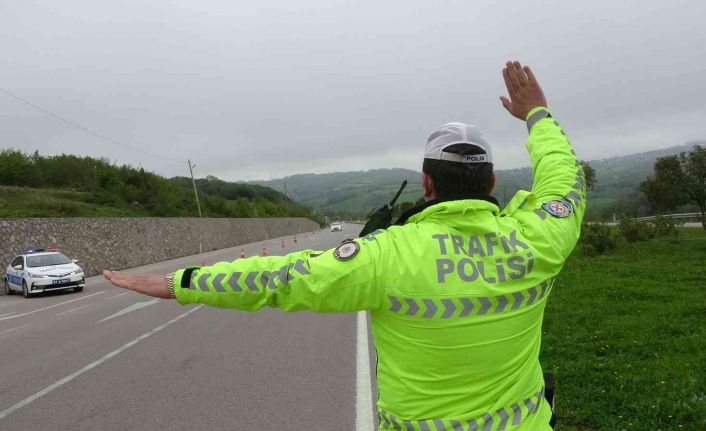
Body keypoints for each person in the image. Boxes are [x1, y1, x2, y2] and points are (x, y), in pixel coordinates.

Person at [104, 61, 586, 430]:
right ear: (492, 182)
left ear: (426, 183)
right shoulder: (537, 238)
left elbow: (280, 278)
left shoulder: (386, 254)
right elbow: (565, 180)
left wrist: (180, 282)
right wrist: (538, 116)